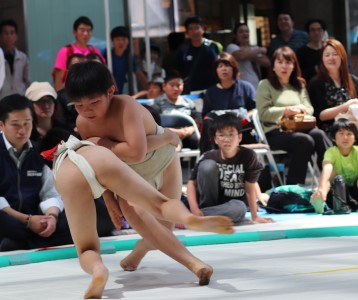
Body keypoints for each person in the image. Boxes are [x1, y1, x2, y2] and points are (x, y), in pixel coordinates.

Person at [64, 61, 234, 298]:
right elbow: (99, 164)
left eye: (94, 102)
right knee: (151, 219)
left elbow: (135, 152)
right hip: (130, 172)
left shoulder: (126, 105)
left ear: (111, 92)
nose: (87, 110)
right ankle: (195, 264)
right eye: (79, 105)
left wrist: (104, 143)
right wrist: (110, 199)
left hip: (162, 162)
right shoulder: (83, 123)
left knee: (163, 226)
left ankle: (148, 248)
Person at [0, 94, 72, 251]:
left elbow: (51, 193)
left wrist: (51, 217)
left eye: (27, 123)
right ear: (1, 125)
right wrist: (27, 221)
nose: (22, 131)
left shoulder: (39, 152)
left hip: (36, 219)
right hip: (9, 218)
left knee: (72, 217)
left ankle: (20, 242)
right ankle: (30, 240)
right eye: (15, 125)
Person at [256, 46, 331, 184]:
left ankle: (332, 181)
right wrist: (286, 110)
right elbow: (263, 113)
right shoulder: (265, 84)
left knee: (319, 135)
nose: (284, 66)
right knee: (305, 141)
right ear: (273, 66)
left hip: (300, 126)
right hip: (275, 131)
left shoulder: (299, 84)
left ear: (294, 66)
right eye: (280, 62)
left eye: (288, 62)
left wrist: (301, 109)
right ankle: (294, 189)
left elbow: (309, 108)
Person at [187, 113, 273, 224]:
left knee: (240, 208)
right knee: (207, 166)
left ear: (239, 137)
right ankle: (200, 216)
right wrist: (194, 209)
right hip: (209, 203)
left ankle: (195, 218)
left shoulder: (248, 156)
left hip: (232, 206)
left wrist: (255, 216)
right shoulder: (208, 156)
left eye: (231, 134)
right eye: (222, 135)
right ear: (215, 139)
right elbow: (191, 184)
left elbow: (249, 187)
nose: (226, 139)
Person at [310, 119, 358, 214]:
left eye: (349, 134)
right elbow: (326, 168)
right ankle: (321, 199)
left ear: (354, 138)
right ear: (333, 138)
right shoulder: (331, 152)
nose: (345, 137)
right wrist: (321, 187)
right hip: (336, 194)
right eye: (341, 133)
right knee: (331, 172)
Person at [308, 39, 358, 135]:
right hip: (331, 130)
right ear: (322, 59)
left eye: (335, 54)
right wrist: (345, 106)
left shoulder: (353, 80)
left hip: (356, 129)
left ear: (342, 56)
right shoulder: (316, 83)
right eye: (327, 55)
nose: (331, 58)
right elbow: (320, 115)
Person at [200, 52, 257, 153]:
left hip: (241, 130)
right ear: (216, 71)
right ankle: (205, 160)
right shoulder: (210, 92)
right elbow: (206, 116)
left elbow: (255, 110)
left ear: (234, 68)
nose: (224, 69)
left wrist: (246, 116)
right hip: (218, 134)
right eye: (220, 66)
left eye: (227, 65)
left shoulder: (246, 87)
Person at [52, 16, 104, 91]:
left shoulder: (94, 50)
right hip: (71, 94)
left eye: (88, 30)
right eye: (82, 30)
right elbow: (59, 80)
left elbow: (102, 72)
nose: (85, 33)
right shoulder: (65, 51)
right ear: (74, 32)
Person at [152, 71, 201, 150]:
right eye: (172, 85)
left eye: (178, 85)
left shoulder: (189, 103)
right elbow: (155, 124)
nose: (175, 88)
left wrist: (189, 130)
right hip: (168, 133)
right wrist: (176, 132)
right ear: (164, 86)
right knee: (174, 145)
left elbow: (197, 120)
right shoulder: (157, 103)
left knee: (195, 141)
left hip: (187, 132)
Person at [175, 16, 222, 94]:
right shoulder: (183, 51)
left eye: (197, 28)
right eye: (191, 29)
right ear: (187, 32)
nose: (194, 31)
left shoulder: (214, 46)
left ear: (203, 29)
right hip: (192, 92)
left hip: (213, 89)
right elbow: (179, 71)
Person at [103, 26, 147, 94]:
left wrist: (149, 87)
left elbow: (138, 74)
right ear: (113, 41)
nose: (121, 42)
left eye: (123, 39)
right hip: (106, 92)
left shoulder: (128, 57)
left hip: (119, 93)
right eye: (117, 39)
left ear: (128, 41)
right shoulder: (106, 54)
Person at [226, 22, 270, 90]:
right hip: (240, 87)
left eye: (247, 31)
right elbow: (241, 56)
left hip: (256, 86)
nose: (245, 34)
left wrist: (249, 54)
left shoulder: (254, 48)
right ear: (236, 35)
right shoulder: (232, 47)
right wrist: (260, 50)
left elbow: (267, 63)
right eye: (241, 32)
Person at [0, 19, 30, 99]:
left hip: (20, 97)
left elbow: (27, 80)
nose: (9, 36)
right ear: (0, 36)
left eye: (12, 33)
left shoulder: (23, 57)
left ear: (16, 36)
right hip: (2, 99)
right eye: (5, 33)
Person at [296, 18, 327, 83]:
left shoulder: (328, 49)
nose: (316, 33)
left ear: (323, 32)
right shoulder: (301, 52)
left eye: (319, 30)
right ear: (308, 33)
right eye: (312, 30)